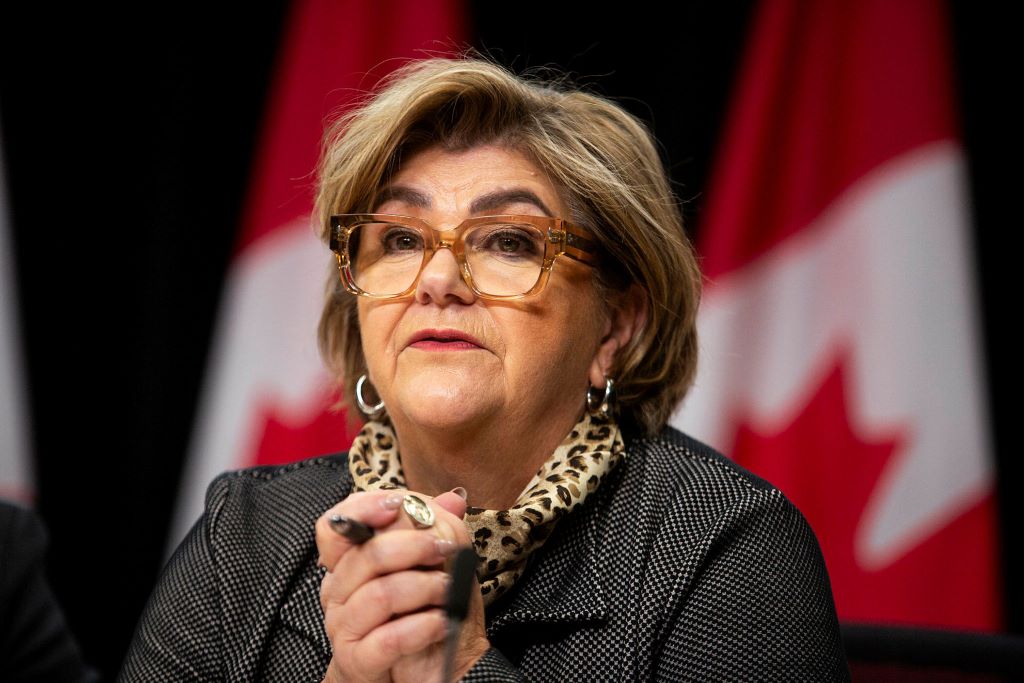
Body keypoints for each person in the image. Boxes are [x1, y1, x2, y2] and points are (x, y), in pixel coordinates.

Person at [120, 57, 848, 681]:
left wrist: (461, 666)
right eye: (400, 238)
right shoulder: (245, 536)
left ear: (616, 325)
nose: (437, 278)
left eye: (507, 241)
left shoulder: (726, 546)